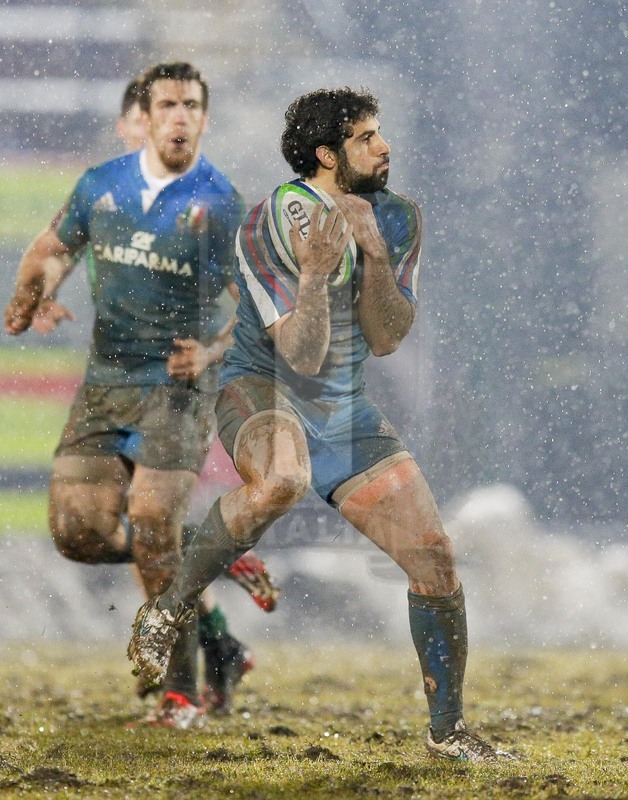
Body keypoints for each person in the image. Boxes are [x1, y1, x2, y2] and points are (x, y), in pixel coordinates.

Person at [127, 86, 515, 762]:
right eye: (366, 137)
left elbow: (388, 336)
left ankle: (447, 733)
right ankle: (169, 609)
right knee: (282, 478)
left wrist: (370, 261)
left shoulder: (396, 218)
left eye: (380, 132)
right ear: (327, 155)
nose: (384, 146)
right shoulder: (271, 220)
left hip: (341, 404)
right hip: (260, 387)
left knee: (435, 558)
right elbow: (298, 353)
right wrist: (313, 275)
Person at [4, 62, 279, 728]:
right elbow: (52, 246)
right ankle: (212, 554)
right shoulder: (104, 187)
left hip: (174, 389)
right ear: (142, 119)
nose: (176, 118)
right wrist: (31, 294)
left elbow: (250, 300)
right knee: (79, 535)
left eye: (190, 106)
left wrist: (210, 351)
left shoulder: (216, 202)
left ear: (203, 118)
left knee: (151, 529)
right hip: (106, 385)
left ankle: (178, 695)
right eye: (164, 107)